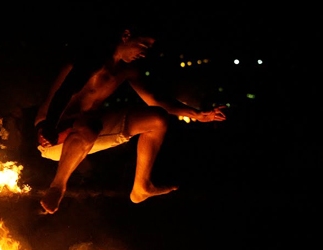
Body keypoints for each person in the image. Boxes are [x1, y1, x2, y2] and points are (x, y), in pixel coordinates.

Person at [35, 28, 227, 214]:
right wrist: (49, 126)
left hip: (88, 127)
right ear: (126, 35)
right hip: (53, 132)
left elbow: (157, 100)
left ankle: (142, 186)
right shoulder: (92, 59)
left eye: (148, 49)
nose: (143, 53)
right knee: (90, 125)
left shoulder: (127, 71)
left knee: (157, 118)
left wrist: (199, 115)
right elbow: (64, 92)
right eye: (143, 45)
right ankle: (58, 187)